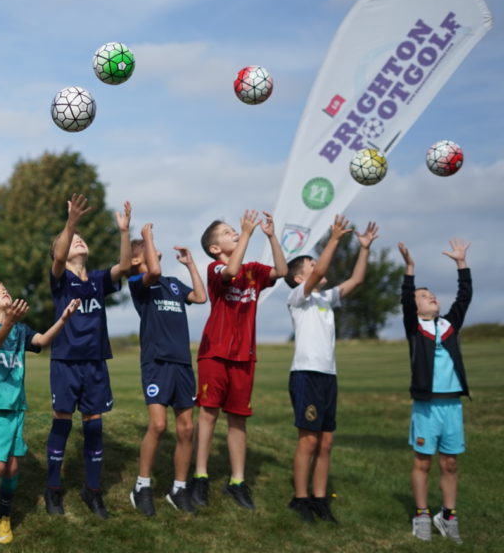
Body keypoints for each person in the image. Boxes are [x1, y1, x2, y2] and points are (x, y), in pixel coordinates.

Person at [190, 210, 287, 511]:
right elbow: (230, 273)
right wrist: (246, 233)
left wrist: (271, 237)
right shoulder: (214, 268)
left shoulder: (255, 271)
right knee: (207, 415)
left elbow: (282, 271)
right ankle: (200, 476)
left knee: (238, 418)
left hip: (245, 357)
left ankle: (237, 481)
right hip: (215, 353)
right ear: (215, 248)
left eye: (235, 230)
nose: (234, 232)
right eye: (227, 231)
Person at [0, 282, 78, 546]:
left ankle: (4, 516)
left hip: (16, 408)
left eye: (6, 288)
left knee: (13, 467)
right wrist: (10, 321)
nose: (4, 290)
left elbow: (41, 341)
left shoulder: (20, 329)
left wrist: (63, 319)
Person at [283, 216, 378, 523]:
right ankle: (300, 499)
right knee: (308, 440)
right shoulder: (298, 297)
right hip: (306, 374)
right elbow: (322, 270)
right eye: (310, 266)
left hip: (328, 376)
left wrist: (363, 248)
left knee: (326, 441)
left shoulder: (326, 298)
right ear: (300, 278)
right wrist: (334, 238)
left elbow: (357, 280)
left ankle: (320, 500)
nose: (316, 268)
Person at [44, 193, 131, 519]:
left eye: (81, 238)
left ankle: (92, 490)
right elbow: (59, 256)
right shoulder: (59, 279)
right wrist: (71, 222)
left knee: (93, 427)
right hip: (66, 362)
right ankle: (53, 488)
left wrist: (124, 231)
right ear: (60, 254)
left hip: (95, 363)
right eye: (71, 241)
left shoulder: (96, 280)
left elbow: (123, 267)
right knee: (62, 424)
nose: (78, 241)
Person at [127, 223, 206, 517]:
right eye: (151, 251)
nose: (157, 253)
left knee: (186, 428)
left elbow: (200, 297)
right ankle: (142, 486)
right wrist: (147, 236)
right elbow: (154, 272)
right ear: (138, 260)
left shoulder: (173, 283)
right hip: (157, 364)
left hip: (182, 364)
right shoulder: (139, 284)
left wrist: (191, 264)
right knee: (159, 425)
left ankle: (179, 489)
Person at [399, 238, 471, 545]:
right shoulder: (415, 329)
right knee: (423, 462)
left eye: (432, 295)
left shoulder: (450, 325)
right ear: (415, 307)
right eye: (424, 296)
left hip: (452, 405)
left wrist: (461, 264)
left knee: (450, 463)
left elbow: (464, 297)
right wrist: (410, 270)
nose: (432, 298)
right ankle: (422, 514)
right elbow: (405, 299)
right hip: (427, 407)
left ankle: (448, 516)